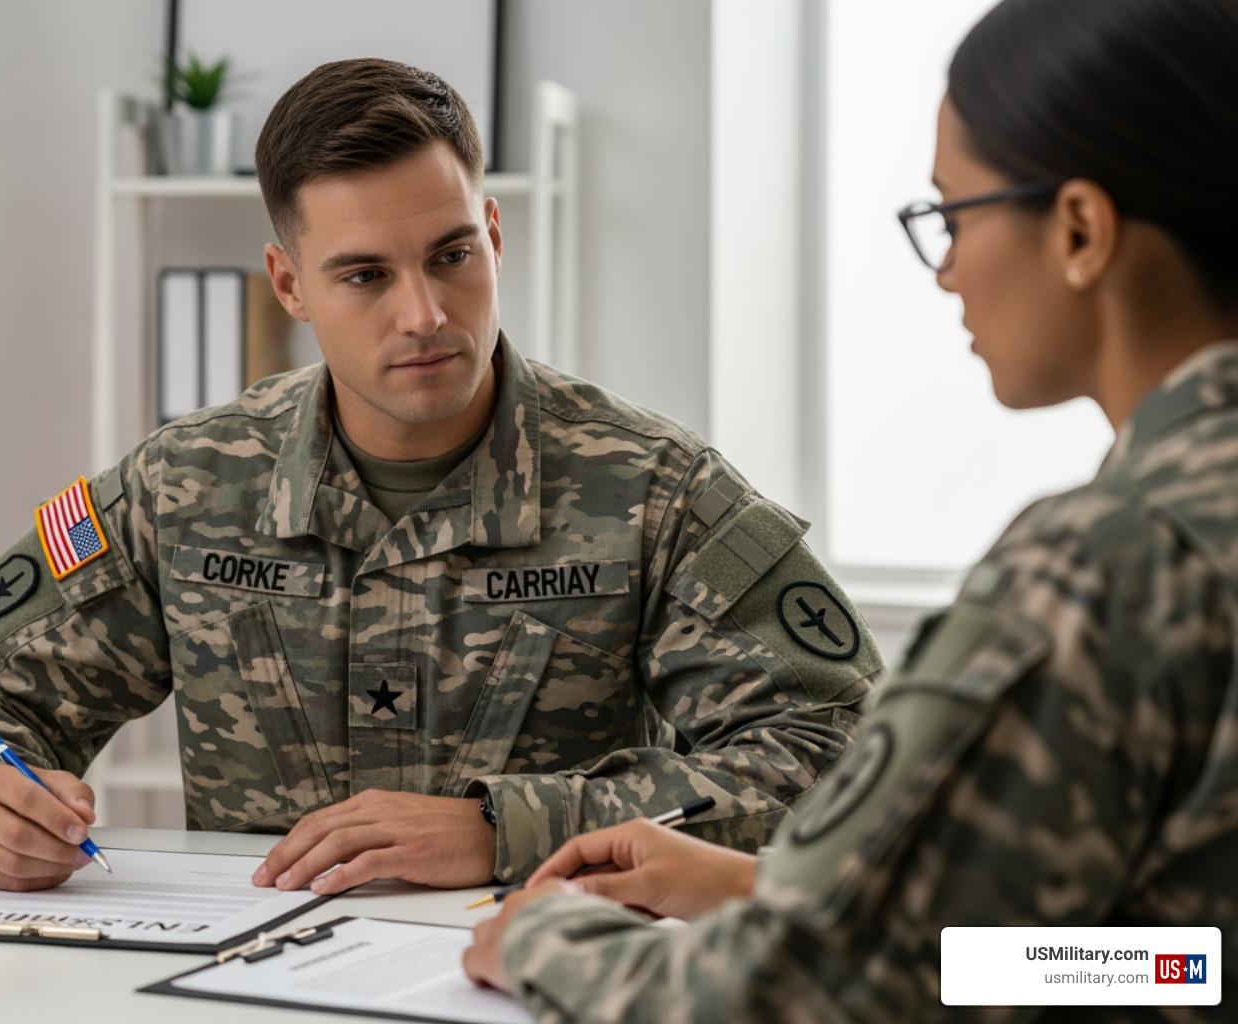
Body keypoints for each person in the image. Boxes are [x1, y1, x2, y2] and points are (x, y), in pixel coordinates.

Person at [0, 58, 881, 895]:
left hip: (542, 971)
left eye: (451, 255)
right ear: (289, 284)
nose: (426, 315)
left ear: (494, 233)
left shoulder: (657, 490)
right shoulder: (185, 485)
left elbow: (843, 755)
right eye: (365, 275)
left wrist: (506, 828)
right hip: (248, 987)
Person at [462, 0, 1238, 1020]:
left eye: (953, 215)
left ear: (1082, 230)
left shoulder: (1108, 563)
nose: (948, 267)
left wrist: (550, 936)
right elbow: (1183, 962)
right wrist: (785, 891)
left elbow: (794, 996)